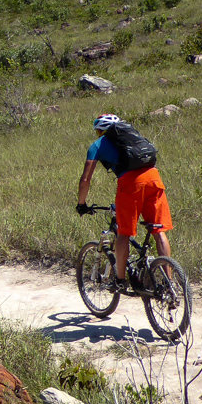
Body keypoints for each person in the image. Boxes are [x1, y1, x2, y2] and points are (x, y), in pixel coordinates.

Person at [76, 113, 172, 290]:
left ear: (100, 130)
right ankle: (169, 283)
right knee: (158, 230)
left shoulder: (98, 144)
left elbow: (85, 179)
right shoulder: (133, 137)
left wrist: (81, 203)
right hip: (154, 177)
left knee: (124, 233)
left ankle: (120, 281)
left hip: (131, 184)